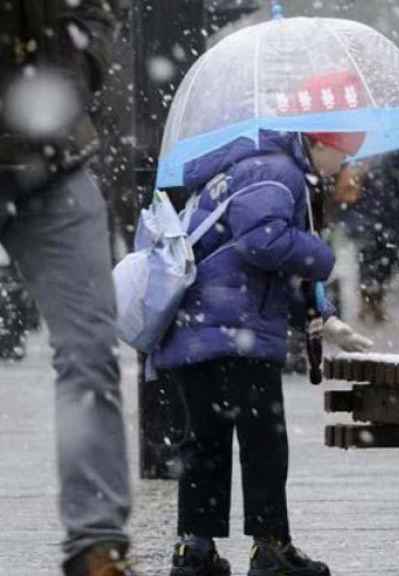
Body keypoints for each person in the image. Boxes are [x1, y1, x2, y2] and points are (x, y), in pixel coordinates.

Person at [153, 72, 373, 576]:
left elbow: (250, 263)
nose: (344, 166)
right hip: (237, 333)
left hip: (201, 326)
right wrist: (320, 254)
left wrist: (324, 319)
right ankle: (271, 548)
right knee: (263, 440)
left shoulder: (245, 166)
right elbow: (262, 243)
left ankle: (195, 550)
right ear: (320, 142)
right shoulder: (279, 172)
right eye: (343, 153)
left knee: (205, 441)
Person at [0, 2, 138, 575]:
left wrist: (79, 68)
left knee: (89, 351)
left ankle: (96, 544)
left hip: (53, 159)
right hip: (47, 148)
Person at [336, 144, 399, 323]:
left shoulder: (395, 154)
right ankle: (369, 301)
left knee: (380, 258)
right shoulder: (364, 152)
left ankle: (374, 300)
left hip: (385, 213)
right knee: (370, 257)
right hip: (371, 213)